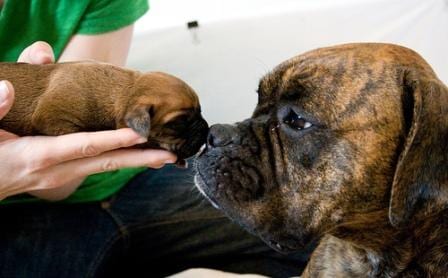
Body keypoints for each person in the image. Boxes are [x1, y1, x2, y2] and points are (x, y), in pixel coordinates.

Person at [0, 1, 307, 277]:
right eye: (180, 125)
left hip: (130, 180)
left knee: (311, 230)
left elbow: (69, 153)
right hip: (18, 211)